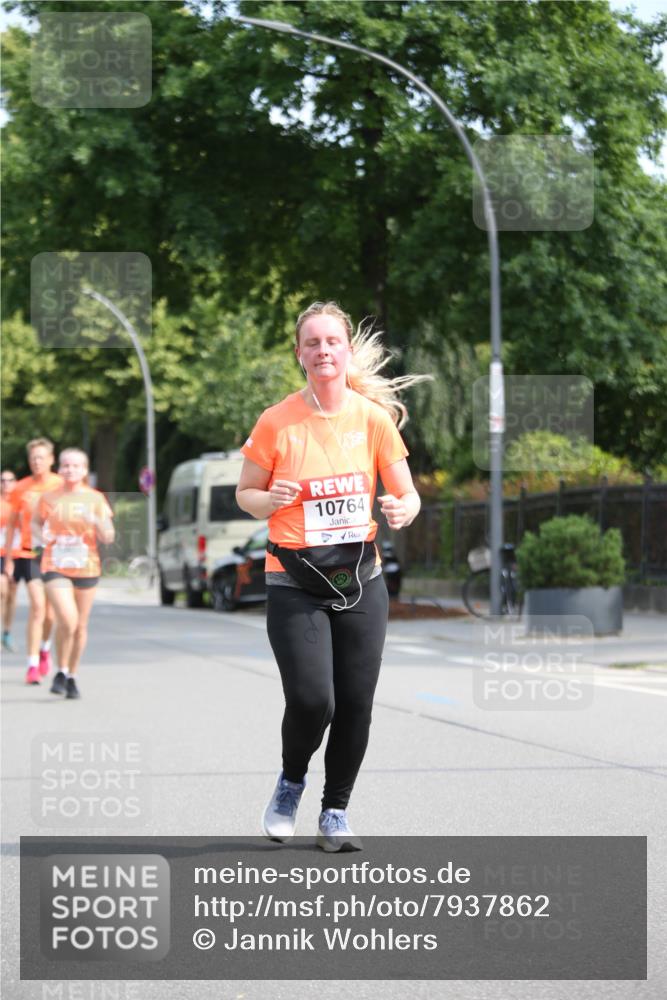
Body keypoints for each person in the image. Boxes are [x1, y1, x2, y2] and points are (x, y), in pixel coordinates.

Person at [236, 301, 427, 852]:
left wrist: (403, 508)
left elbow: (406, 491)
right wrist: (265, 498)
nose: (323, 351)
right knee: (314, 698)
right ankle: (291, 780)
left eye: (332, 342)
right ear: (300, 355)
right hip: (295, 580)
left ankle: (335, 812)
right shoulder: (276, 421)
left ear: (346, 350)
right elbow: (245, 494)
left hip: (360, 580)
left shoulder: (372, 419)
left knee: (357, 702)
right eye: (312, 343)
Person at [32, 447, 114, 700]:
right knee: (67, 619)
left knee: (80, 625)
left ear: (85, 470)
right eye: (66, 465)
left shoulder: (95, 499)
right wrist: (41, 537)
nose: (70, 470)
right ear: (60, 468)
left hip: (86, 565)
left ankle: (70, 674)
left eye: (76, 466)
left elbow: (108, 536)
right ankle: (60, 668)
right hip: (56, 565)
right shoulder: (49, 498)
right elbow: (35, 524)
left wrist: (96, 520)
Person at [3, 439, 63, 683]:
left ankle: (45, 648)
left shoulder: (61, 484)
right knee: (38, 607)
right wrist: (8, 558)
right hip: (30, 553)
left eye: (41, 457)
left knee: (51, 615)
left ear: (51, 459)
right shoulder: (21, 487)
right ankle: (32, 665)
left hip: (57, 554)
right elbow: (12, 526)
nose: (36, 462)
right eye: (33, 458)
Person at [1, 469, 21, 651]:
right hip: (0, 553)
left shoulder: (20, 503)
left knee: (12, 595)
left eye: (10, 480)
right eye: (2, 480)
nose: (6, 483)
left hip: (17, 554)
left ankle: (6, 632)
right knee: (2, 590)